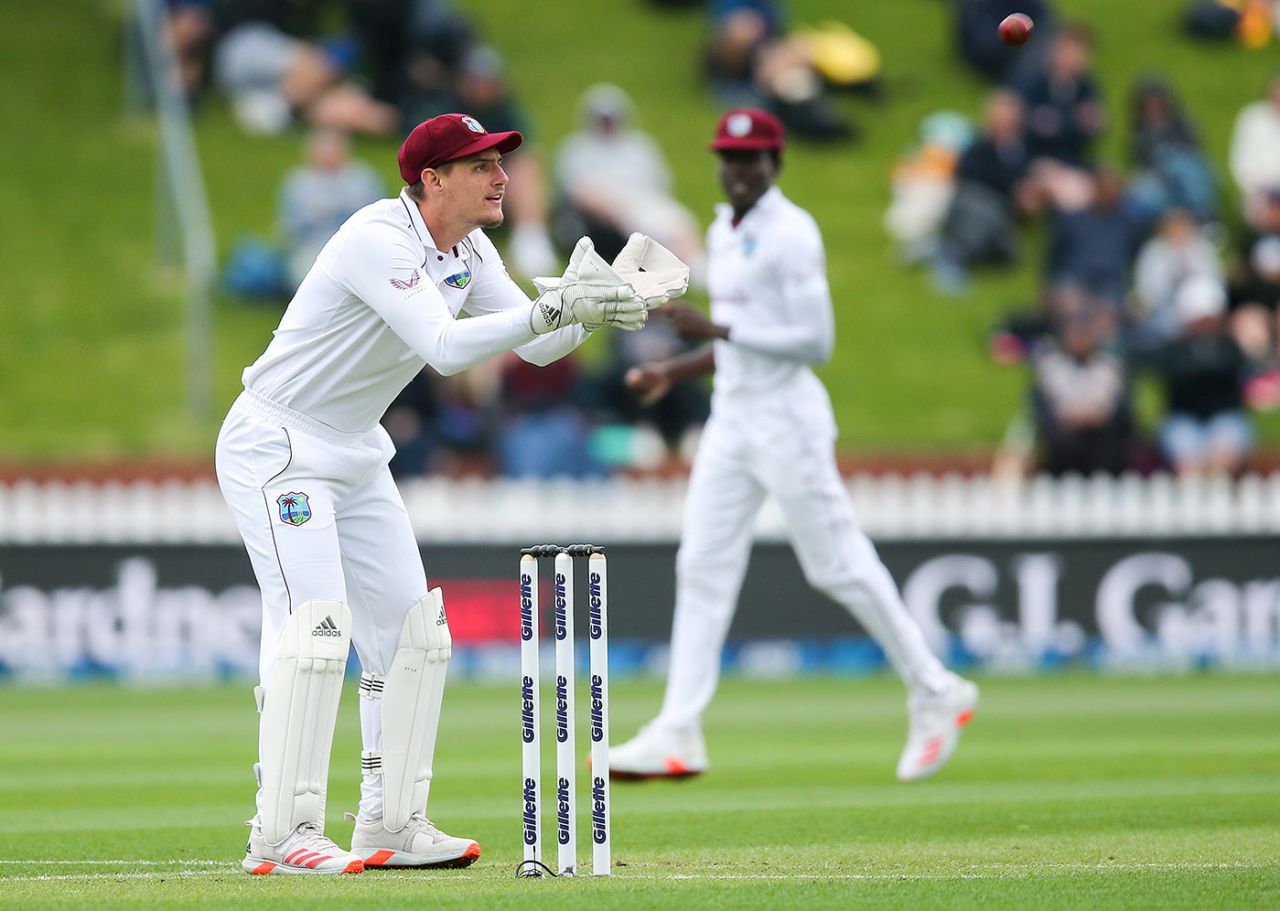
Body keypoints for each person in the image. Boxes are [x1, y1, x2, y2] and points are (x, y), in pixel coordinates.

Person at [216, 112, 667, 876]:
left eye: (500, 163)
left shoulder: (469, 248)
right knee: (315, 629)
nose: (501, 177)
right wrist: (554, 306)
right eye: (481, 165)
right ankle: (282, 831)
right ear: (433, 179)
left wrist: (596, 307)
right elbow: (447, 348)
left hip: (355, 447)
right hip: (279, 443)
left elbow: (534, 342)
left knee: (414, 636)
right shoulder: (377, 238)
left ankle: (389, 821)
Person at [611, 108, 978, 784]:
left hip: (787, 419)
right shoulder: (724, 230)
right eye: (728, 158)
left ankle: (936, 689)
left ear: (775, 164)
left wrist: (715, 329)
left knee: (835, 563)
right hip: (733, 417)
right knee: (702, 565)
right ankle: (678, 731)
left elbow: (815, 341)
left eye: (750, 159)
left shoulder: (793, 233)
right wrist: (673, 371)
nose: (737, 170)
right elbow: (746, 338)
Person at [279, 128, 386, 290]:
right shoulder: (299, 183)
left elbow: (375, 221)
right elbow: (290, 227)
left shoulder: (362, 180)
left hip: (353, 247)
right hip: (312, 246)